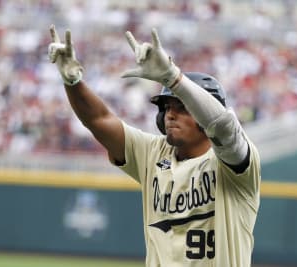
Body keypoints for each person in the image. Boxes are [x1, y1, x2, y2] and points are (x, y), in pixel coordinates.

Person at [48, 25, 261, 267]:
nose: (170, 115)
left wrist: (174, 78)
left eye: (181, 107)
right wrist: (73, 82)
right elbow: (99, 120)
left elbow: (222, 125)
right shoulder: (153, 153)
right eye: (167, 108)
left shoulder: (233, 165)